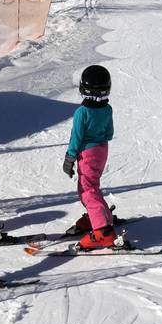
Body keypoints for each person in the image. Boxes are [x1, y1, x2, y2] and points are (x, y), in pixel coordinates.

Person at [63, 65, 116, 249]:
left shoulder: (82, 112)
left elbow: (76, 137)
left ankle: (103, 230)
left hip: (88, 153)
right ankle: (99, 216)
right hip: (102, 150)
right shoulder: (107, 109)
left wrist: (70, 158)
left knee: (87, 189)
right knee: (92, 185)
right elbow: (109, 133)